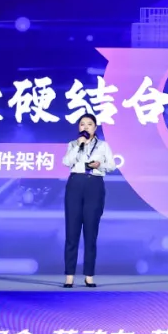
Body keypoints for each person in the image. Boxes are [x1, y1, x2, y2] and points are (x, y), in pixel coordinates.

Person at [61, 113, 114, 288]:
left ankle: (89, 276)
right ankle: (69, 276)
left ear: (95, 127)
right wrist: (79, 145)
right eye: (82, 124)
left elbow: (112, 165)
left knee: (91, 233)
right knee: (72, 232)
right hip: (75, 184)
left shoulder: (103, 146)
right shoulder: (73, 144)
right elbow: (66, 161)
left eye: (89, 124)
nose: (85, 127)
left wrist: (100, 165)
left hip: (94, 185)